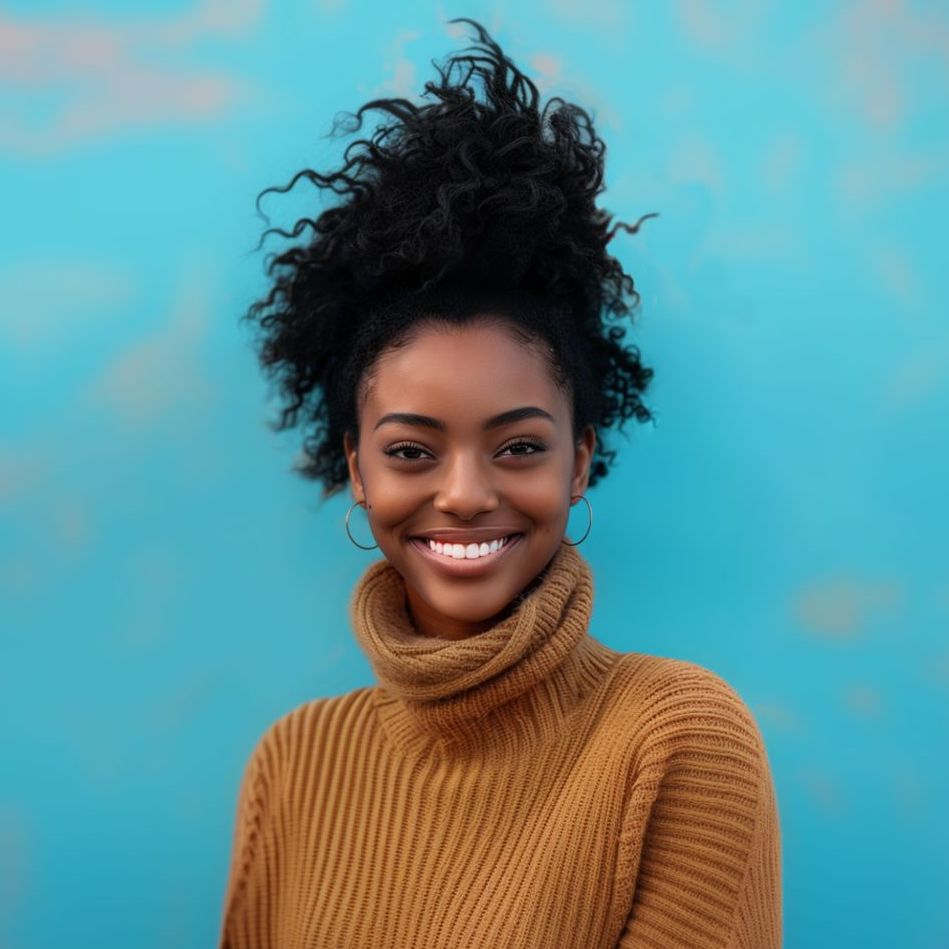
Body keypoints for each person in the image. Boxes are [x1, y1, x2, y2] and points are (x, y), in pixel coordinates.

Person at [217, 17, 782, 949]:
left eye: (518, 446)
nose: (466, 492)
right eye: (410, 451)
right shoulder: (294, 760)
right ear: (355, 468)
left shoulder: (676, 738)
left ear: (581, 460)